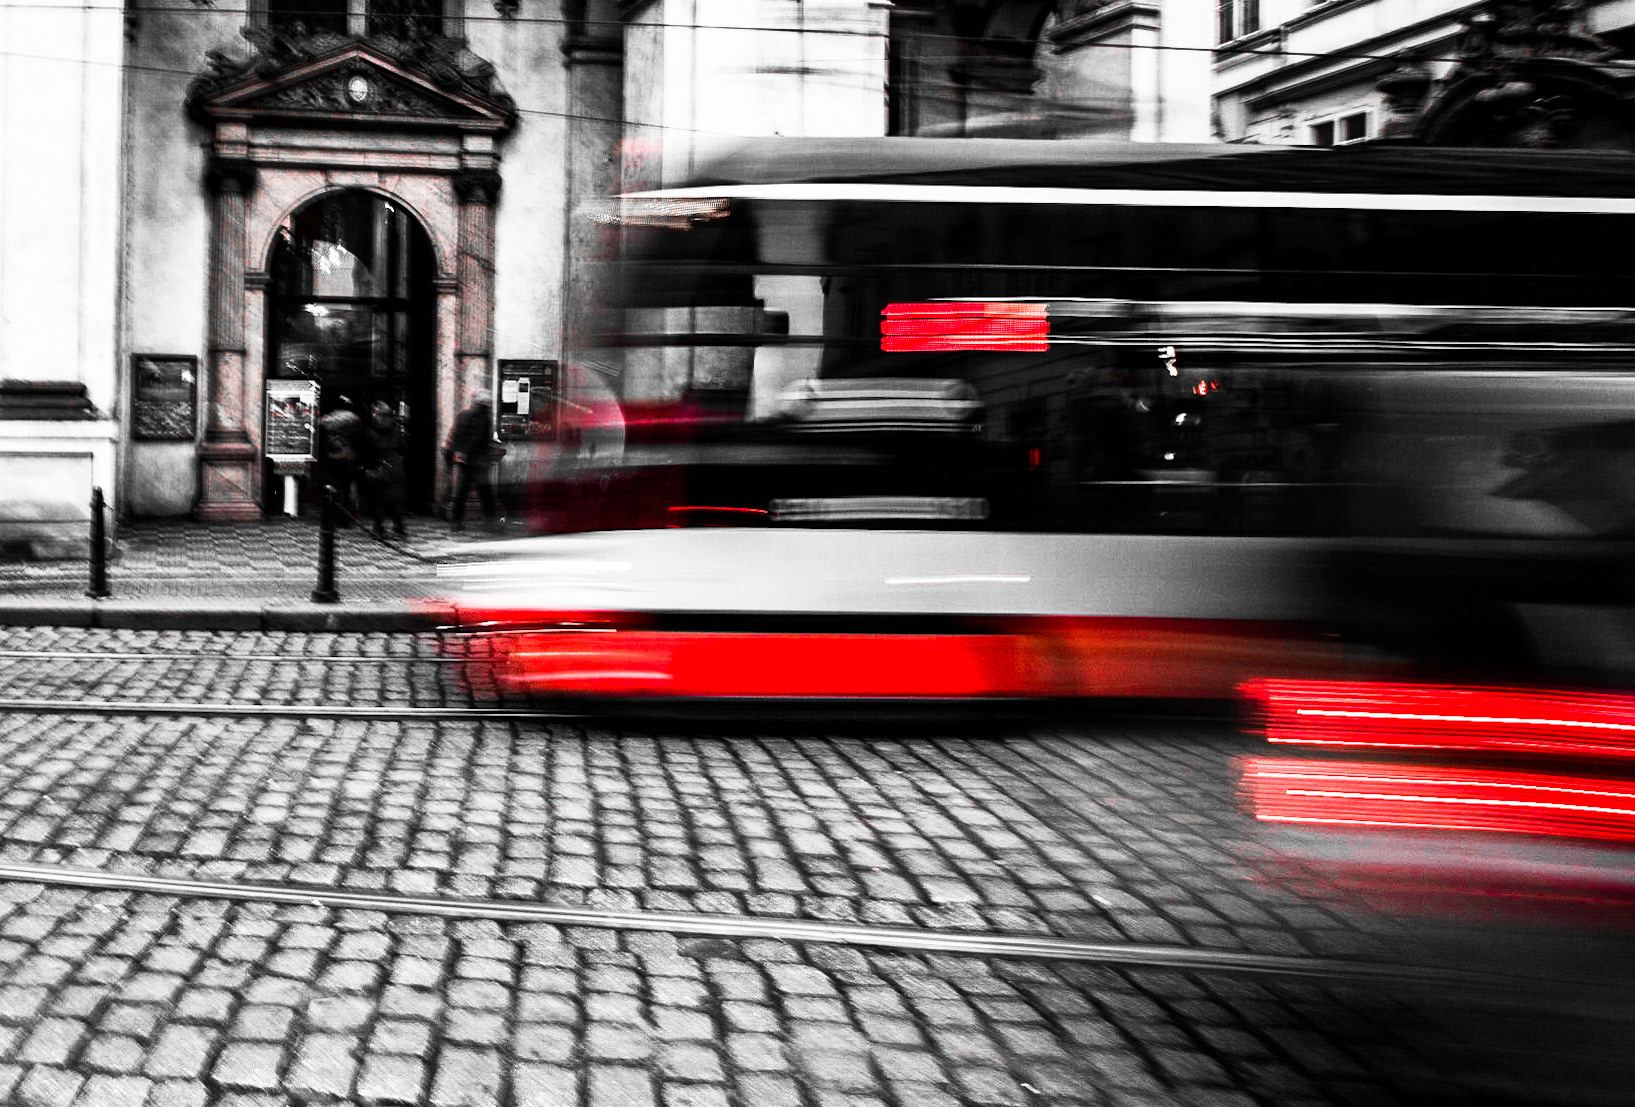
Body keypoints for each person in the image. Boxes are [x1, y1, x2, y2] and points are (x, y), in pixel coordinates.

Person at [445, 389, 498, 530]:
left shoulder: (462, 415)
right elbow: (480, 439)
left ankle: (456, 522)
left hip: (464, 460)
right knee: (485, 493)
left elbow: (454, 435)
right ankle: (490, 522)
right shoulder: (485, 419)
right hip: (478, 461)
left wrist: (457, 452)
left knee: (461, 492)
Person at [364, 400, 408, 539]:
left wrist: (367, 466)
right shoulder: (396, 430)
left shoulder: (370, 430)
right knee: (396, 501)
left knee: (379, 500)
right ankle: (399, 529)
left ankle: (378, 529)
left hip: (379, 467)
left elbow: (367, 451)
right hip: (395, 467)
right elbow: (404, 449)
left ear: (376, 414)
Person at [318, 397, 365, 522]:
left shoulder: (326, 419)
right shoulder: (355, 419)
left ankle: (336, 514)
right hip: (349, 457)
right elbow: (360, 439)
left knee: (335, 487)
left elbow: (320, 438)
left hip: (332, 457)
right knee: (349, 487)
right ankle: (348, 515)